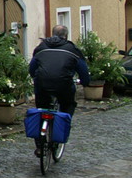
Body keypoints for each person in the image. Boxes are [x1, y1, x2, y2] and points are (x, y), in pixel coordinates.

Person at [28, 25, 89, 156]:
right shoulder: (73, 49)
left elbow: (32, 68)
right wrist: (85, 82)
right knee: (68, 105)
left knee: (41, 109)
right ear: (66, 36)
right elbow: (83, 70)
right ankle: (58, 136)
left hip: (42, 85)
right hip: (64, 86)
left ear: (52, 34)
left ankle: (39, 145)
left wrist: (36, 78)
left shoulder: (41, 47)